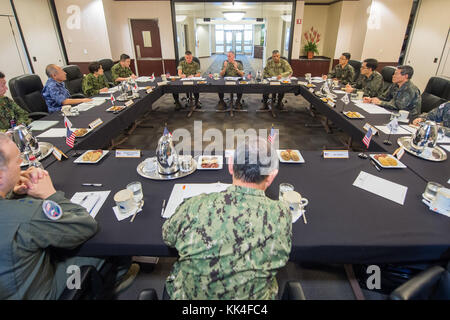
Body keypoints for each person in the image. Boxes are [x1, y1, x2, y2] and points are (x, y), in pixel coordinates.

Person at [0, 134, 139, 299]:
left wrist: (10, 193)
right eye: (18, 163)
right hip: (45, 293)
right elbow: (85, 226)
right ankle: (115, 277)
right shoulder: (27, 215)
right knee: (107, 241)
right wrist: (50, 194)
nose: (22, 167)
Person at [162, 137, 292, 299]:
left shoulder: (194, 206)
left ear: (230, 165)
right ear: (272, 176)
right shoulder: (281, 215)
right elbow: (281, 257)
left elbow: (167, 236)